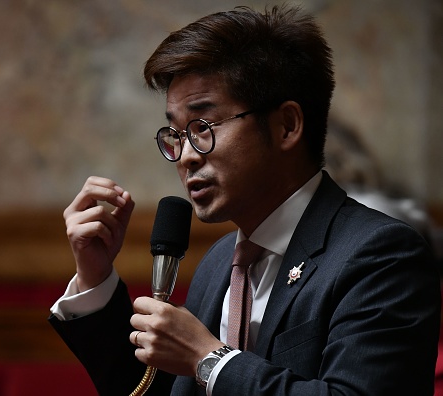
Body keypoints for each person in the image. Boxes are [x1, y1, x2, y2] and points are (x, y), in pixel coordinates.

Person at [49, 5, 441, 395]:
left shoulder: (381, 255)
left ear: (287, 125)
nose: (185, 155)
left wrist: (210, 359)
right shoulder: (221, 262)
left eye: (203, 126)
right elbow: (149, 392)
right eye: (175, 133)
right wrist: (94, 276)